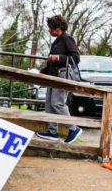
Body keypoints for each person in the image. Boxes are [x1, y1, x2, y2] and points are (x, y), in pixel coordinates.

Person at [37, 15, 82, 143]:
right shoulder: (56, 41)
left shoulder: (67, 39)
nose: (49, 30)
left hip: (62, 78)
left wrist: (58, 58)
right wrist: (42, 72)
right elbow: (53, 64)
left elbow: (76, 58)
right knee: (49, 105)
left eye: (50, 28)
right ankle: (52, 132)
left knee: (57, 103)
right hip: (52, 77)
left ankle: (73, 128)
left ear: (57, 28)